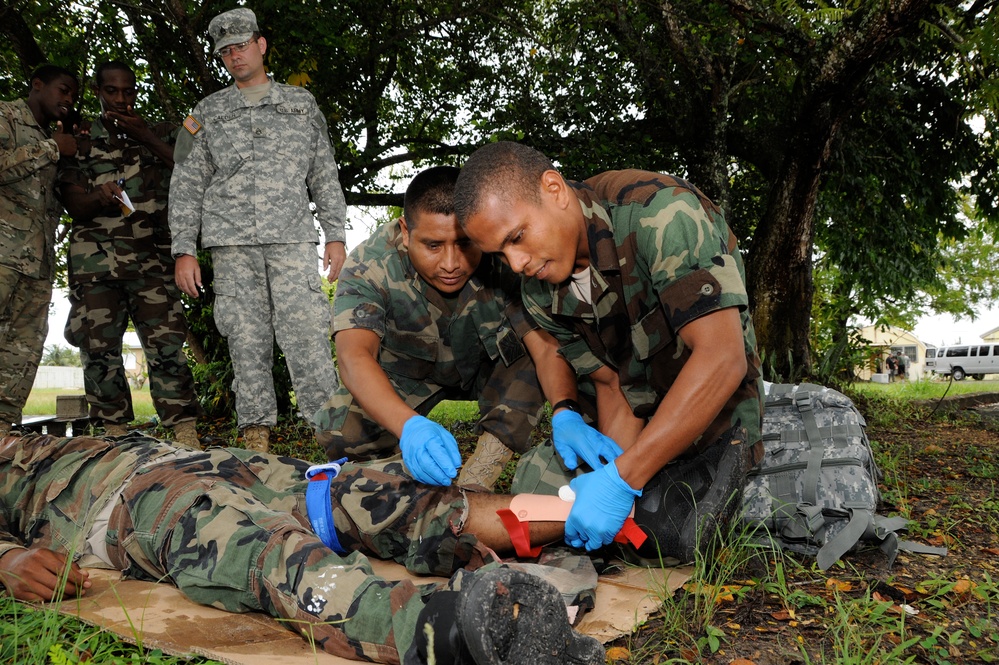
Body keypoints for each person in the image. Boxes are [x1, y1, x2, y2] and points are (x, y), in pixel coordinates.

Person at [0, 431, 604, 665]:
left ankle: (605, 520)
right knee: (259, 548)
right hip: (129, 500)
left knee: (377, 496)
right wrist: (8, 560)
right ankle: (452, 632)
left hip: (197, 458)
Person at [454, 142, 764, 562]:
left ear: (554, 189)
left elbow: (722, 359)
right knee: (540, 486)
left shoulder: (661, 214)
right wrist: (609, 475)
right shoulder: (539, 290)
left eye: (517, 238)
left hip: (713, 409)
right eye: (499, 253)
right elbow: (613, 384)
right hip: (643, 411)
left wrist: (624, 480)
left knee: (673, 533)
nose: (516, 263)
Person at [315, 166, 564, 488]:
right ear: (405, 232)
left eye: (464, 244)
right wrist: (409, 426)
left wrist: (564, 410)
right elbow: (354, 356)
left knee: (537, 350)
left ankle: (479, 477)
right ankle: (404, 479)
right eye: (433, 245)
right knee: (340, 432)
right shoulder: (370, 264)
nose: (450, 264)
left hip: (491, 368)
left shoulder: (507, 251)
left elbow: (545, 344)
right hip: (412, 374)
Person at [169, 7, 345, 453]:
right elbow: (186, 183)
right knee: (245, 339)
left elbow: (324, 173)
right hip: (231, 245)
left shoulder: (301, 106)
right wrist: (183, 249)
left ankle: (332, 439)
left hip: (290, 239)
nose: (234, 56)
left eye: (241, 46)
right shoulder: (206, 113)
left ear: (261, 45)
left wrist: (336, 234)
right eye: (225, 51)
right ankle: (255, 443)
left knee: (306, 334)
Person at [57, 61, 201, 447]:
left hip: (153, 260)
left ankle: (184, 429)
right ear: (99, 91)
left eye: (127, 91)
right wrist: (98, 196)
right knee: (98, 350)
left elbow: (196, 169)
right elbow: (74, 204)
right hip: (95, 262)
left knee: (167, 346)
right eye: (111, 91)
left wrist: (145, 137)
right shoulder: (78, 137)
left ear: (136, 92)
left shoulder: (163, 131)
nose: (120, 99)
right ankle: (113, 433)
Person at [0, 65, 80, 437]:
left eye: (73, 96)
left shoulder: (55, 136)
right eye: (63, 91)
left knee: (23, 353)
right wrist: (51, 149)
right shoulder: (7, 117)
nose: (67, 100)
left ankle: (2, 433)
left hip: (36, 265)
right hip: (2, 258)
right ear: (37, 85)